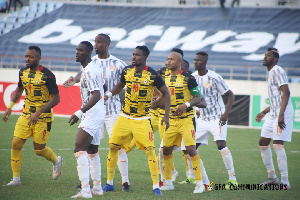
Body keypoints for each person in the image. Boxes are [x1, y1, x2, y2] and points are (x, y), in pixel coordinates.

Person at [64, 33, 130, 191]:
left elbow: (125, 82)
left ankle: (125, 181)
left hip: (112, 110)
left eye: (100, 42)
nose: (96, 44)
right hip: (93, 110)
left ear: (107, 45)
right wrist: (75, 78)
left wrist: (109, 94)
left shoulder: (118, 63)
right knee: (91, 147)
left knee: (117, 146)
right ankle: (91, 181)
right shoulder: (91, 62)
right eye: (95, 41)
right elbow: (84, 74)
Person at [103, 45, 171, 196]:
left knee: (150, 151)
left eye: (137, 55)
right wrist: (108, 95)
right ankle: (109, 183)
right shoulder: (127, 70)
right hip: (124, 117)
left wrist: (166, 116)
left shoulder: (153, 74)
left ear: (145, 58)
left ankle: (155, 186)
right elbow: (120, 85)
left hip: (142, 119)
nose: (134, 57)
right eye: (133, 54)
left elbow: (166, 94)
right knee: (113, 146)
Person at [2, 46, 62, 186]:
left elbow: (56, 99)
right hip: (26, 114)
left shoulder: (48, 75)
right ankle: (16, 179)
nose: (28, 59)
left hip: (43, 117)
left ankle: (56, 160)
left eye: (31, 57)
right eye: (26, 56)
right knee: (16, 143)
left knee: (39, 150)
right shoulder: (23, 72)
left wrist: (38, 113)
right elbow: (19, 90)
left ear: (39, 58)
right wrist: (10, 107)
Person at [156, 51, 206, 194]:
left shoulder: (188, 78)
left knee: (190, 150)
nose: (168, 61)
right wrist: (153, 104)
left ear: (179, 63)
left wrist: (186, 105)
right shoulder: (163, 77)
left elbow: (198, 98)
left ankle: (199, 184)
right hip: (171, 120)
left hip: (186, 120)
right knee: (165, 150)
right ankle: (168, 182)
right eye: (167, 59)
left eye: (171, 59)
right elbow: (164, 98)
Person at [192, 51, 237, 190]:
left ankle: (232, 179)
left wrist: (226, 113)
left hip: (217, 118)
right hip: (202, 119)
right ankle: (201, 179)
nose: (195, 62)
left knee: (221, 145)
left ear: (205, 62)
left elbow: (230, 95)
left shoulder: (214, 77)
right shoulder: (192, 77)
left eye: (198, 60)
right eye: (194, 60)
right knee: (191, 149)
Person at [65, 41, 105, 198]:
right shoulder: (88, 68)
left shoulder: (90, 71)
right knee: (92, 150)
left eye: (81, 50)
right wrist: (75, 79)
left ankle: (86, 190)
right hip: (96, 112)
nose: (77, 52)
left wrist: (80, 112)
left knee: (79, 149)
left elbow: (96, 94)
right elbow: (103, 87)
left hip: (92, 114)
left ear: (88, 53)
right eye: (76, 50)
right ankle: (97, 188)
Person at [255, 48, 293, 190]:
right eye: (265, 55)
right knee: (263, 143)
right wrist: (264, 112)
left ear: (275, 59)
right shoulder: (271, 72)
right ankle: (272, 177)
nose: (265, 58)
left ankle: (285, 182)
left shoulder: (277, 70)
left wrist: (281, 114)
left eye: (269, 55)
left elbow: (286, 92)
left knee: (277, 145)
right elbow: (276, 99)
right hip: (273, 113)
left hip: (282, 113)